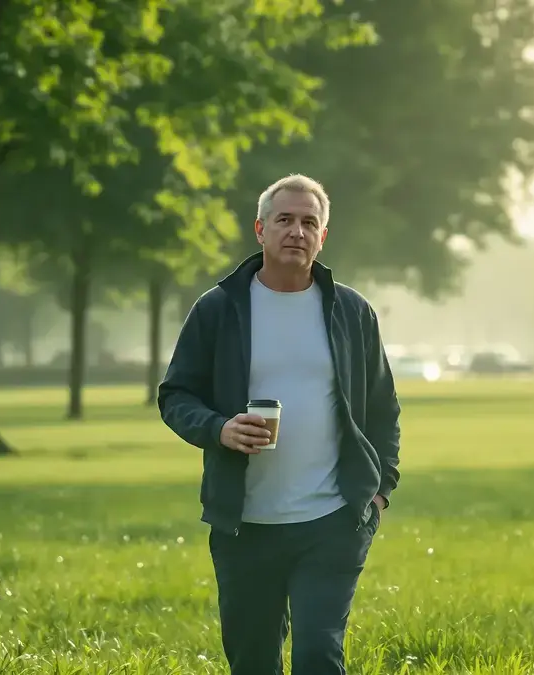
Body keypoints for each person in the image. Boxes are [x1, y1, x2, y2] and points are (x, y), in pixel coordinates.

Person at [157, 173, 402, 675]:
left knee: (318, 656)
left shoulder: (352, 312)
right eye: (284, 220)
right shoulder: (219, 308)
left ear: (323, 236)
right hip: (243, 524)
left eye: (309, 222)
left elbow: (382, 410)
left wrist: (377, 495)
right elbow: (175, 394)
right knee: (252, 662)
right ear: (260, 230)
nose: (297, 231)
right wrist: (219, 429)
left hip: (333, 520)